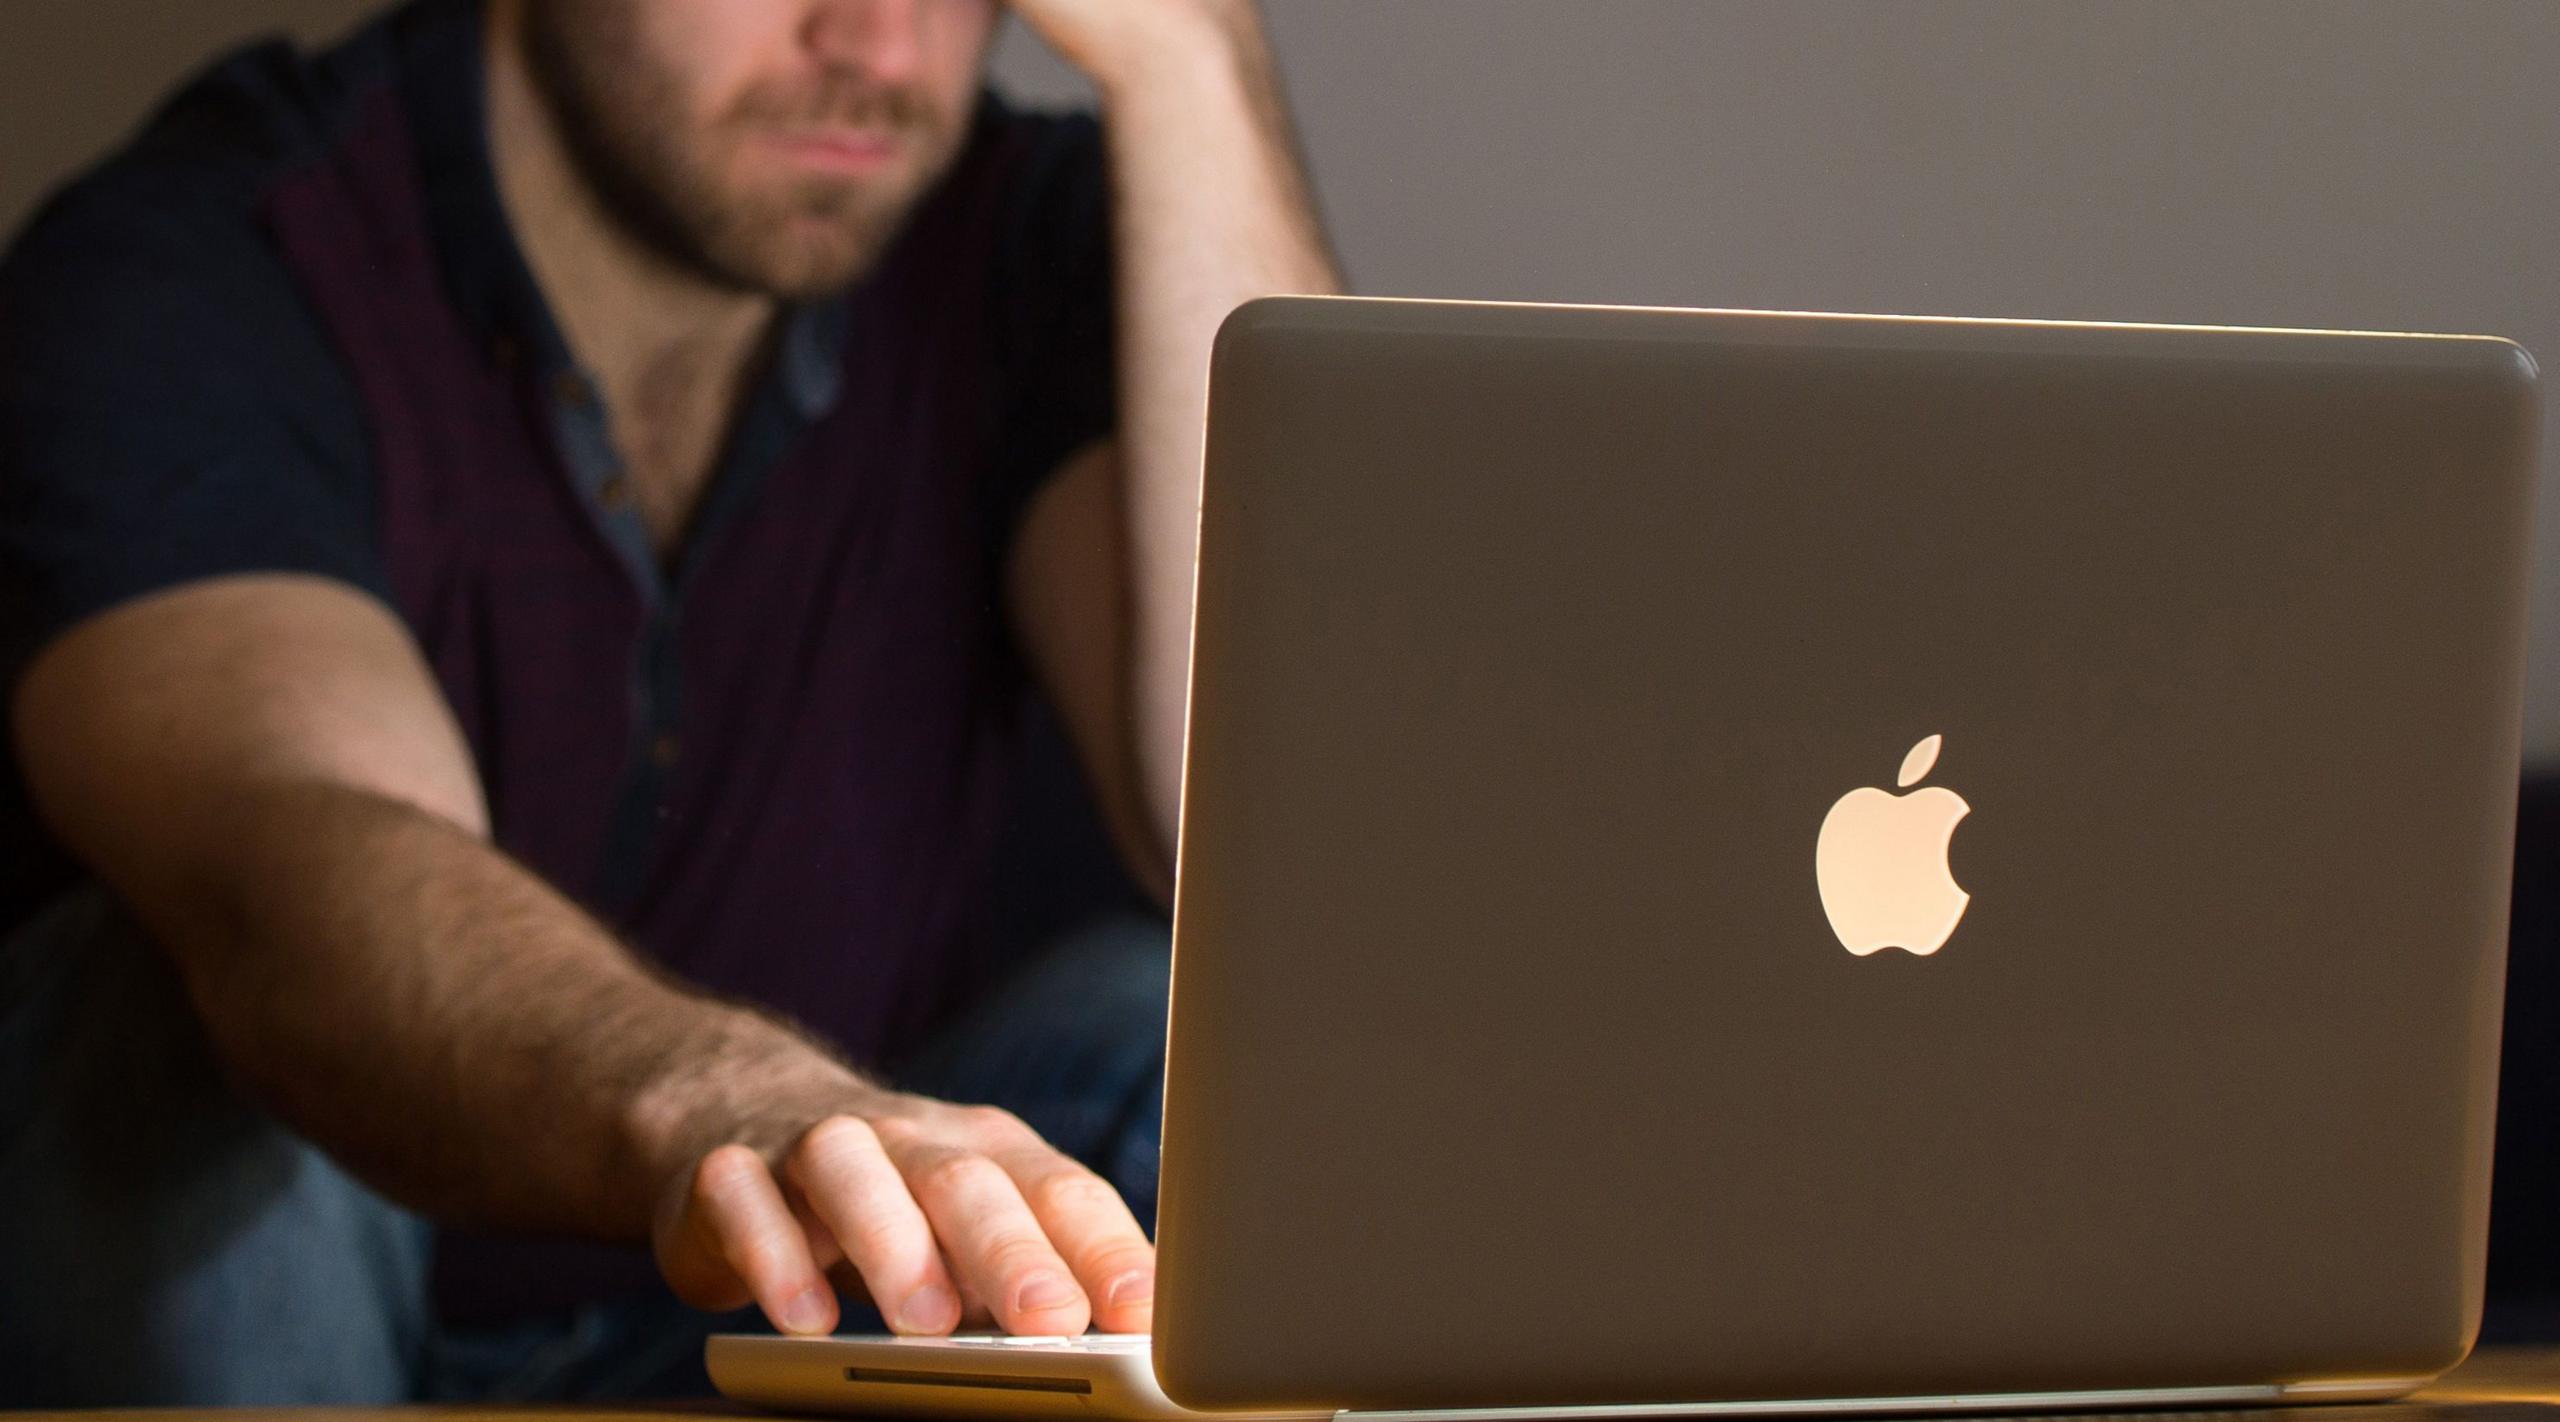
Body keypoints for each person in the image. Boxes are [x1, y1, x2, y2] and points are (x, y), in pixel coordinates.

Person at [0, 0, 1339, 1405]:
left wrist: (1188, 60)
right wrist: (731, 1103)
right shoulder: (203, 265)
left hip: (764, 1325)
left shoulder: (1021, 247)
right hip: (275, 1311)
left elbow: (1301, 871)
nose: (878, 45)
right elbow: (303, 858)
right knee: (173, 1037)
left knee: (1187, 1027)